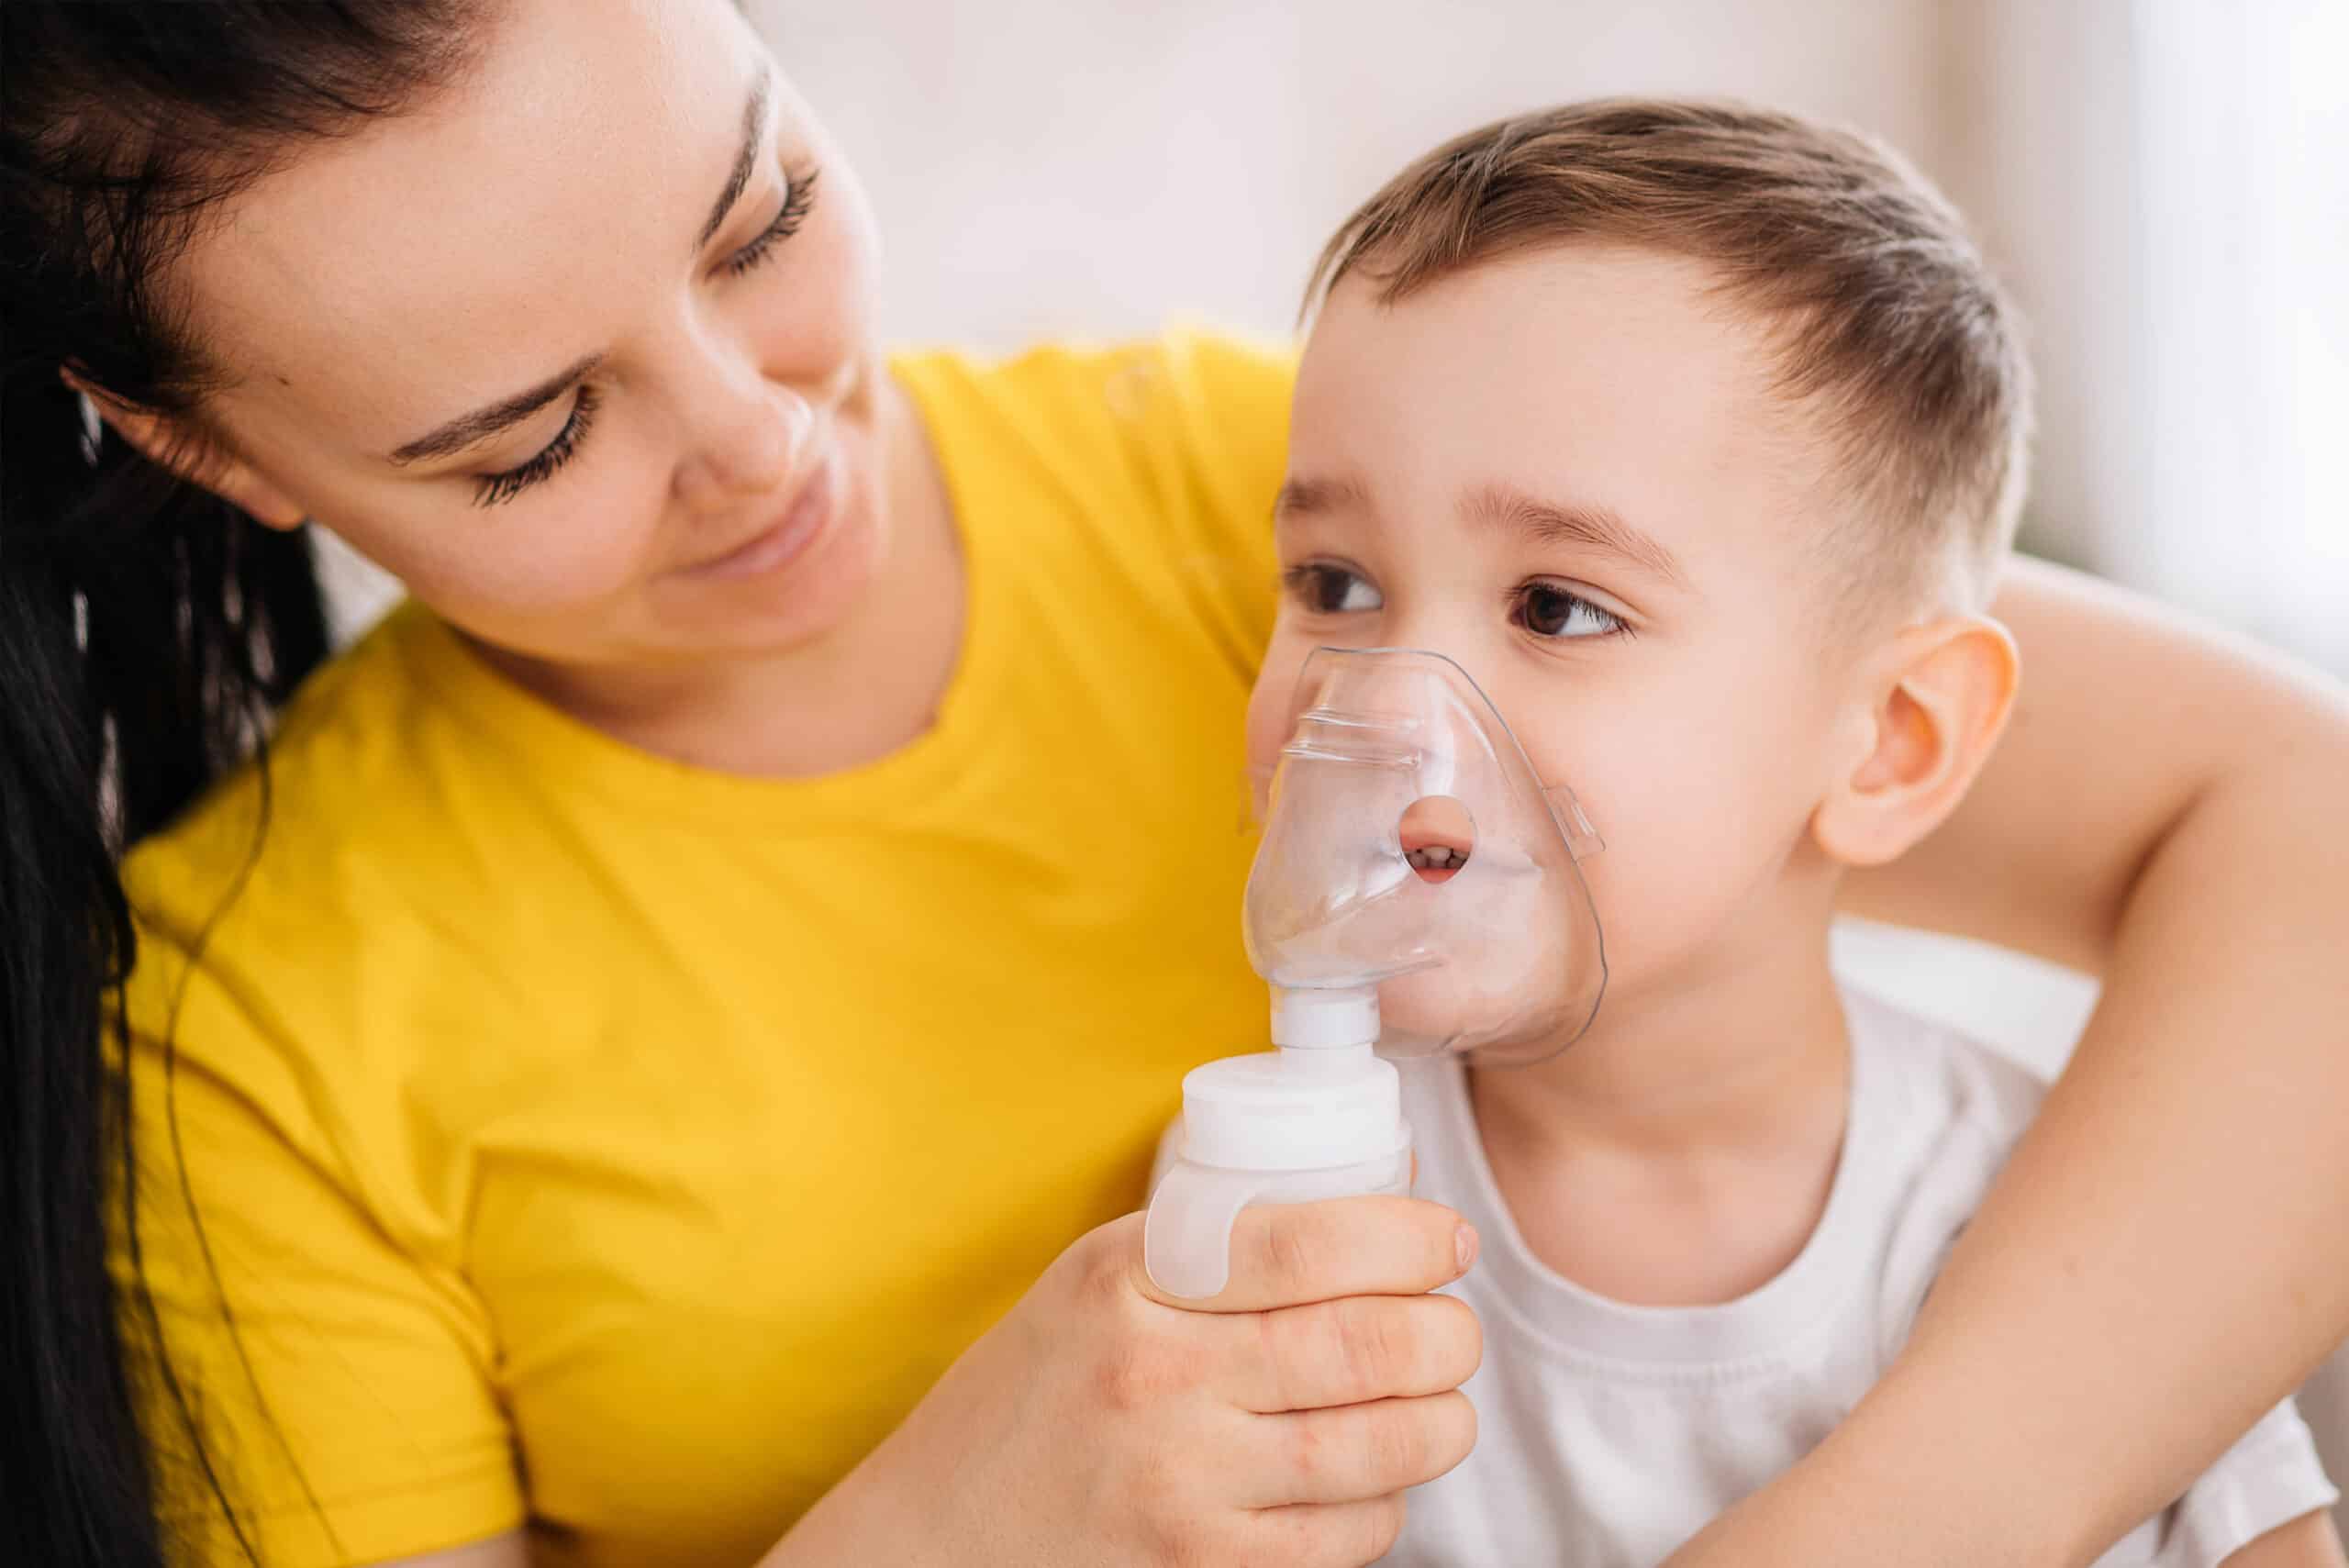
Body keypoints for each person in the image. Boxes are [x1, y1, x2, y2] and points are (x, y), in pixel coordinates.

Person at [4, 4, 2347, 1567]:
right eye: (532, 437)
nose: (760, 441)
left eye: (761, 217)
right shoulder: (255, 1036)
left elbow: (2296, 824)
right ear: (218, 451)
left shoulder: (1330, 510)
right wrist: (937, 1532)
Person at [1243, 97, 2344, 1566]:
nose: (1383, 704)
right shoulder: (1289, 1216)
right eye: (1333, 583)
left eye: (1558, 606)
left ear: (1893, 741)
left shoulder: (2072, 1237)